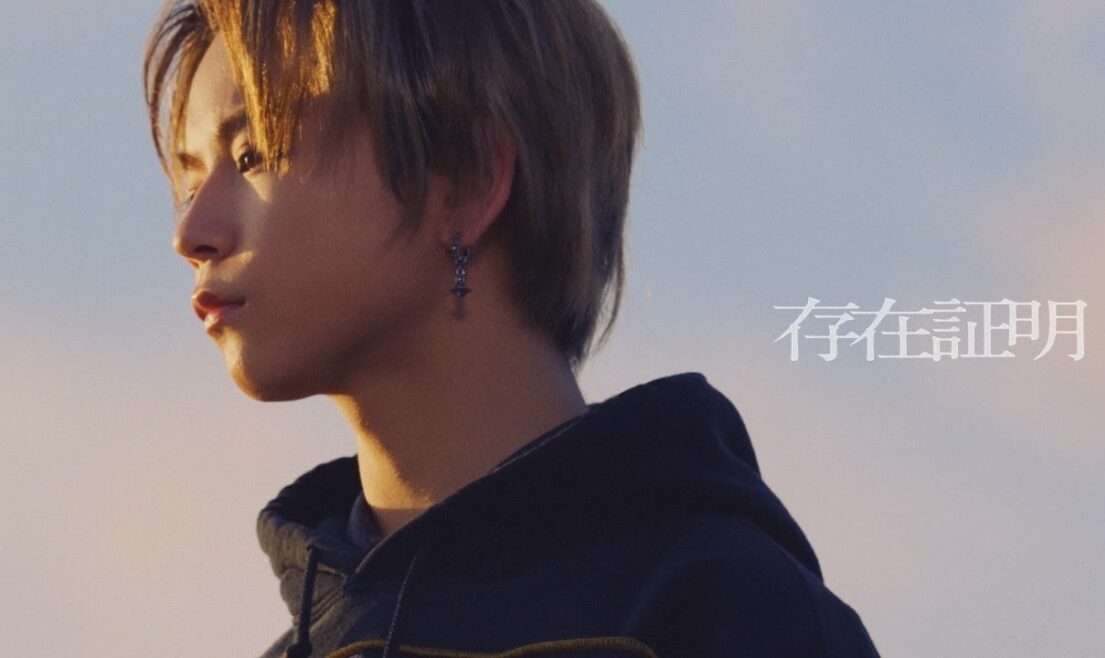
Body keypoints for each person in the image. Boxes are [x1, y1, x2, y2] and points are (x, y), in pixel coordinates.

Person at [143, 1, 882, 656]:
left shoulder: (723, 613)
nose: (191, 232)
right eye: (190, 179)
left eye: (253, 155)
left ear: (466, 181)